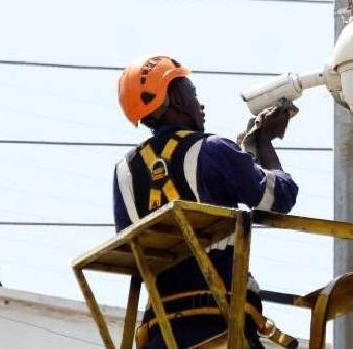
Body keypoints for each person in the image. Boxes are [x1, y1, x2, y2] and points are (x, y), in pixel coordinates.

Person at [113, 55, 298, 349]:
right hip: (221, 327)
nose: (200, 104)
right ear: (173, 97)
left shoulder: (124, 171)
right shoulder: (212, 150)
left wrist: (242, 154)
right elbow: (281, 197)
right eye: (193, 93)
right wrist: (264, 143)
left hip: (162, 334)